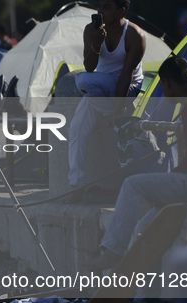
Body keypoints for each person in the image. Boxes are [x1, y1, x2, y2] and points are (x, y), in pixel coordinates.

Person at [83, 56, 187, 303]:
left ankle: (112, 250)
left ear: (167, 83)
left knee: (133, 185)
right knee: (145, 228)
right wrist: (166, 188)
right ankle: (147, 302)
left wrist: (165, 188)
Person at [65, 0, 146, 202]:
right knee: (75, 129)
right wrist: (96, 43)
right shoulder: (90, 31)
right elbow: (90, 67)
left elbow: (127, 74)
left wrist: (118, 110)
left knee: (82, 80)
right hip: (99, 88)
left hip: (127, 89)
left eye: (106, 7)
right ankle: (77, 185)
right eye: (99, 6)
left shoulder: (135, 35)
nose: (100, 12)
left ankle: (114, 116)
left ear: (122, 11)